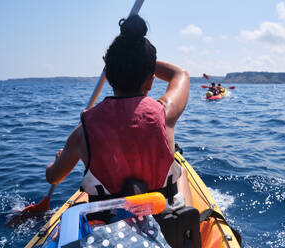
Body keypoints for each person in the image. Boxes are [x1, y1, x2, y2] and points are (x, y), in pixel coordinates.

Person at [46, 15, 192, 210]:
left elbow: (53, 177)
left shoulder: (82, 132)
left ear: (108, 76)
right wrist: (139, 60)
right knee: (182, 171)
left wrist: (58, 160)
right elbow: (180, 74)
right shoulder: (165, 113)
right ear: (150, 80)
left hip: (109, 229)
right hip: (164, 221)